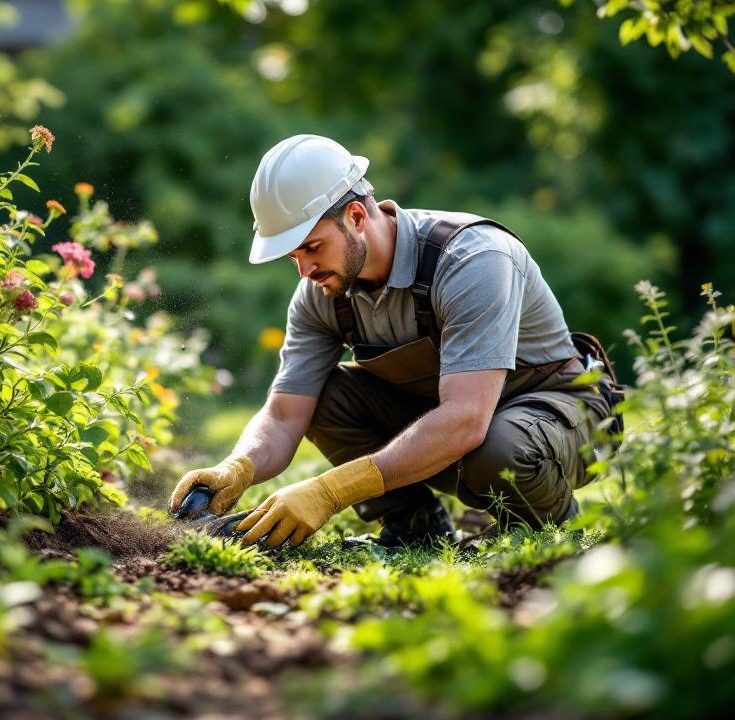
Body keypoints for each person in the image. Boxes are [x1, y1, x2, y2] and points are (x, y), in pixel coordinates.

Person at [169, 134, 615, 551]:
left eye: (312, 248)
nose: (303, 271)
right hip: (460, 419)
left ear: (357, 218)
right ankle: (415, 527)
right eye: (294, 257)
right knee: (323, 395)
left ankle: (550, 529)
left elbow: (465, 421)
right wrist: (237, 467)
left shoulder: (472, 260)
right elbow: (286, 414)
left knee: (499, 448)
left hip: (558, 413)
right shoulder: (322, 293)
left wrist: (330, 491)